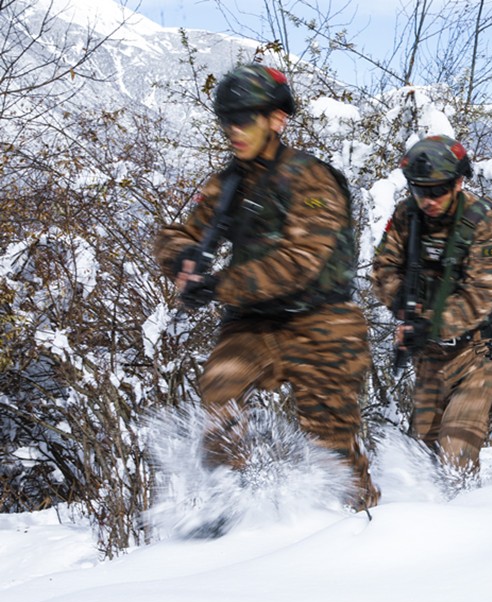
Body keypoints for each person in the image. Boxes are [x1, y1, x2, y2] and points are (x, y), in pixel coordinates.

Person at [154, 63, 379, 510]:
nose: (233, 130)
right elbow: (179, 233)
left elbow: (300, 263)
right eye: (226, 121)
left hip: (323, 323)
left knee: (330, 444)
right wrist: (182, 259)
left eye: (245, 119)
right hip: (254, 324)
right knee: (220, 396)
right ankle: (237, 506)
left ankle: (363, 526)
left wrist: (219, 284)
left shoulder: (311, 179)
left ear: (277, 119)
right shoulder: (227, 184)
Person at [371, 135, 492, 474]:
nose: (428, 200)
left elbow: (482, 295)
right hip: (430, 359)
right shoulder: (407, 216)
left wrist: (430, 324)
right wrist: (405, 306)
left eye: (437, 190)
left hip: (478, 354)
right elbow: (382, 270)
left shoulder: (483, 221)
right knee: (424, 458)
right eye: (420, 190)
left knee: (456, 451)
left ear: (458, 183)